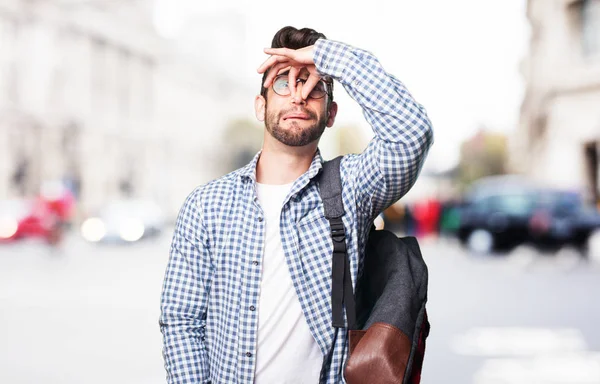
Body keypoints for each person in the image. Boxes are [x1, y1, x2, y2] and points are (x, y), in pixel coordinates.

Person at [160, 26, 434, 384]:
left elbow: (412, 133)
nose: (298, 96)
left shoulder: (353, 188)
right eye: (282, 84)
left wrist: (327, 58)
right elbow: (182, 321)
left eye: (312, 85)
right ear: (261, 106)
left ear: (331, 113)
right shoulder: (206, 205)